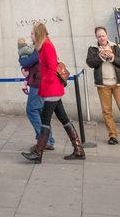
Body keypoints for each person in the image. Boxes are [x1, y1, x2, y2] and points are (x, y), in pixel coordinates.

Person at [22, 22, 84, 163]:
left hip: (52, 90)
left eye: (32, 33)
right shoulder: (43, 46)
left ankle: (38, 153)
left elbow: (51, 68)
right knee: (64, 119)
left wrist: (44, 85)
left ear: (38, 34)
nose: (30, 36)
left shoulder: (47, 46)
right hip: (52, 90)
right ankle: (78, 149)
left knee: (45, 121)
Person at [86, 26, 120, 146]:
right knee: (107, 112)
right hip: (103, 85)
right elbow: (90, 63)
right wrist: (100, 57)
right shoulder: (93, 48)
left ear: (106, 35)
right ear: (96, 37)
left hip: (118, 84)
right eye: (99, 36)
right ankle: (112, 136)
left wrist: (112, 57)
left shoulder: (115, 46)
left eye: (103, 35)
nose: (101, 38)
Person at [17, 39, 55, 151]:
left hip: (38, 84)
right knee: (41, 112)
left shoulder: (40, 47)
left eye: (33, 33)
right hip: (39, 82)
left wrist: (21, 57)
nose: (31, 36)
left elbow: (25, 62)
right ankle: (48, 140)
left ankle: (45, 140)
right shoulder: (39, 46)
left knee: (32, 110)